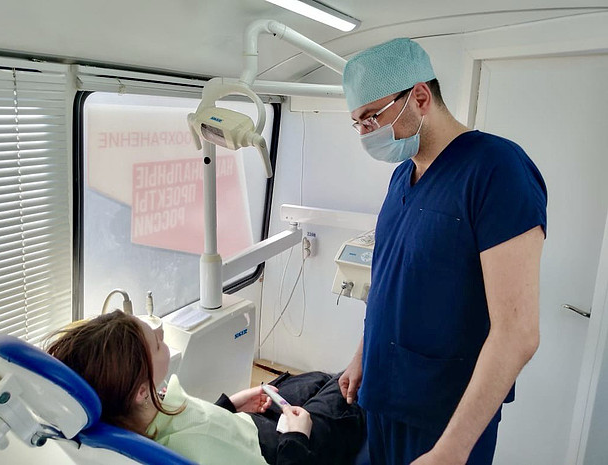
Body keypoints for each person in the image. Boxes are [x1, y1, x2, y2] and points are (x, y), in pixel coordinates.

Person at [338, 38, 547, 465]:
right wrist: (362, 356)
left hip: (443, 418)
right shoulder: (403, 175)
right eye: (357, 123)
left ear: (419, 97)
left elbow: (518, 333)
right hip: (382, 393)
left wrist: (452, 450)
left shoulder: (497, 170)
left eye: (372, 117)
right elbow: (392, 280)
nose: (366, 134)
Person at [46, 310, 365, 465]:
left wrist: (231, 405)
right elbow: (200, 439)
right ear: (141, 391)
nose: (162, 340)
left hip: (249, 427)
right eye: (157, 343)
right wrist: (297, 437)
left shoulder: (138, 413)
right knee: (349, 389)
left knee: (316, 379)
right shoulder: (186, 448)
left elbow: (194, 422)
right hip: (282, 452)